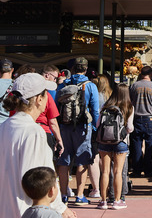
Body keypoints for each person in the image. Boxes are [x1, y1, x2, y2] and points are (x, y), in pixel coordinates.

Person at [0, 73, 74, 218]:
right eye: (46, 94)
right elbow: (40, 179)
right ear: (39, 99)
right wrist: (60, 208)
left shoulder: (4, 127)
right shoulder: (34, 132)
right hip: (26, 210)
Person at [56, 56, 100, 207]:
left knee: (64, 160)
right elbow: (95, 110)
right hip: (83, 127)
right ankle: (80, 196)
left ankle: (63, 195)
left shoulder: (64, 84)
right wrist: (95, 127)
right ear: (86, 69)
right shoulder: (90, 85)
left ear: (73, 68)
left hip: (64, 126)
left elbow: (57, 105)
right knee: (82, 160)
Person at [96, 83, 134, 210]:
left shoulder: (105, 106)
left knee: (105, 171)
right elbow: (129, 127)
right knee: (118, 171)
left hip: (104, 141)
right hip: (121, 142)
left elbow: (97, 125)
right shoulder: (128, 106)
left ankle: (103, 201)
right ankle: (117, 201)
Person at [129, 66, 152, 178]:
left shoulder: (134, 86)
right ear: (150, 74)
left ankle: (137, 169)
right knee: (150, 145)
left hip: (137, 118)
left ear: (141, 74)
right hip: (150, 119)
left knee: (136, 145)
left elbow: (130, 102)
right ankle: (149, 169)